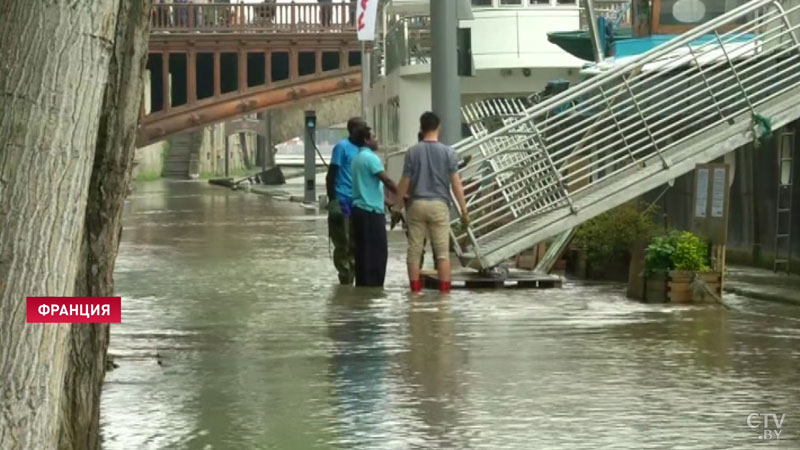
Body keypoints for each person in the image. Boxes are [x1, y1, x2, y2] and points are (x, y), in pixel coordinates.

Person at [396, 112, 470, 293]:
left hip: (417, 205)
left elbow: (404, 182)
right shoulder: (448, 152)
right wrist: (464, 211)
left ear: (421, 128)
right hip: (439, 206)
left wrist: (396, 206)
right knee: (443, 254)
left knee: (414, 251)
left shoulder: (412, 152)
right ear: (439, 127)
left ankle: (415, 293)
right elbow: (456, 184)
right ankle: (444, 295)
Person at [351, 126, 397, 287]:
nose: (377, 140)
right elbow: (387, 181)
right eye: (374, 136)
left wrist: (388, 202)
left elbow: (369, 188)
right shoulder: (371, 158)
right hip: (371, 214)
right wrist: (404, 195)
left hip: (358, 211)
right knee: (377, 255)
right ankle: (374, 290)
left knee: (363, 255)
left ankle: (363, 290)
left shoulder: (357, 159)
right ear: (366, 140)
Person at [327, 117, 366, 285]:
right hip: (343, 200)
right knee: (343, 242)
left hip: (360, 202)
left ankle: (355, 277)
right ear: (353, 130)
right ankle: (345, 279)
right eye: (361, 128)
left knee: (358, 242)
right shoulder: (342, 148)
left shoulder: (364, 150)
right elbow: (332, 174)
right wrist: (333, 200)